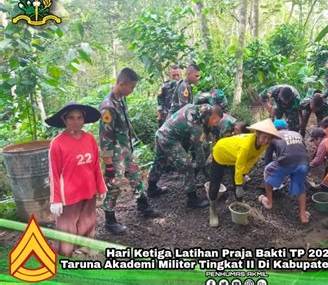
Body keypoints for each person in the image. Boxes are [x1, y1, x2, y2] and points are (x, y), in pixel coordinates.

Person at [99, 68, 162, 235]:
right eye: (131, 87)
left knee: (136, 177)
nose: (132, 91)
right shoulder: (108, 106)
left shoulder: (121, 100)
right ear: (121, 84)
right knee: (115, 185)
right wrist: (109, 165)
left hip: (126, 151)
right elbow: (105, 138)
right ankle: (110, 220)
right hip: (115, 155)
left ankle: (143, 206)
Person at [46, 102, 107, 256]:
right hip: (68, 194)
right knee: (66, 227)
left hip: (88, 189)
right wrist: (55, 199)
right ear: (64, 120)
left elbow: (95, 166)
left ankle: (85, 249)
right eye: (72, 118)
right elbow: (53, 173)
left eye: (79, 117)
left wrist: (101, 186)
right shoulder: (57, 143)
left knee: (88, 221)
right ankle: (64, 255)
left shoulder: (90, 138)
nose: (76, 121)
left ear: (84, 119)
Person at [147, 104, 223, 209]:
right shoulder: (196, 126)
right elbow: (198, 148)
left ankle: (151, 188)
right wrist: (202, 166)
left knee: (159, 161)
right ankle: (192, 199)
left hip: (161, 133)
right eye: (216, 121)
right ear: (212, 117)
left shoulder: (195, 108)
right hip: (169, 139)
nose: (215, 124)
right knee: (186, 166)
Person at [208, 119, 280, 227]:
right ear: (258, 133)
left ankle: (239, 208)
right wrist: (238, 185)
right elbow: (239, 165)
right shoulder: (246, 145)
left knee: (239, 181)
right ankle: (212, 210)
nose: (266, 141)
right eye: (265, 137)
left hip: (235, 157)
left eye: (269, 139)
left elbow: (251, 160)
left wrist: (242, 175)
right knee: (215, 184)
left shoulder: (264, 144)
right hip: (221, 153)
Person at [261, 120, 310, 224]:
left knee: (267, 170)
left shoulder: (274, 136)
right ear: (286, 127)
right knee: (301, 186)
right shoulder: (297, 134)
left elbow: (268, 158)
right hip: (304, 162)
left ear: (274, 129)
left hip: (288, 160)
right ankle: (303, 215)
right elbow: (301, 150)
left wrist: (270, 177)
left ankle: (269, 201)